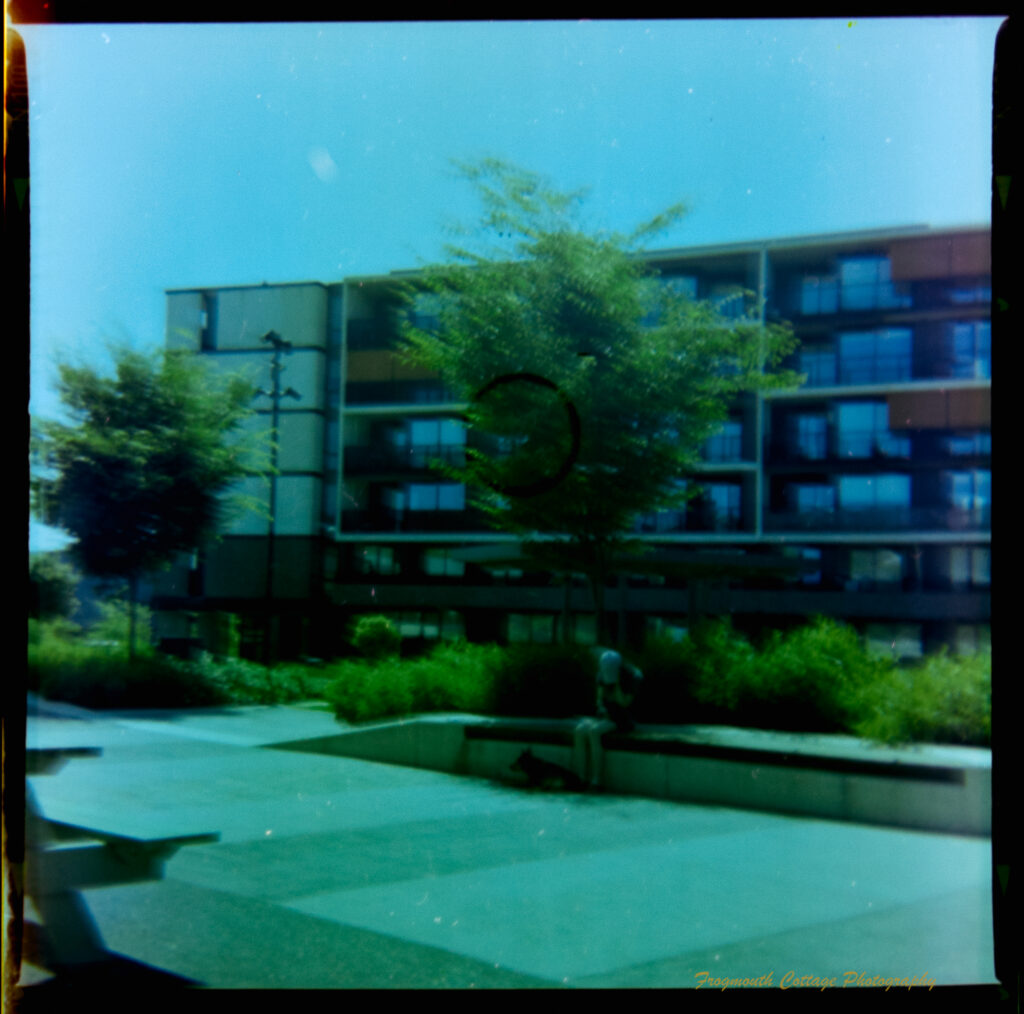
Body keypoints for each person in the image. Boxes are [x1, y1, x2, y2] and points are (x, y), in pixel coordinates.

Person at [572, 646, 643, 788]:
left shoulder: (632, 676)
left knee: (594, 732)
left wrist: (616, 685)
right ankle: (581, 776)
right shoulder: (602, 673)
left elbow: (624, 703)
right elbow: (599, 699)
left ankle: (596, 780)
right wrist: (601, 708)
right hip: (607, 716)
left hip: (623, 718)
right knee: (580, 730)